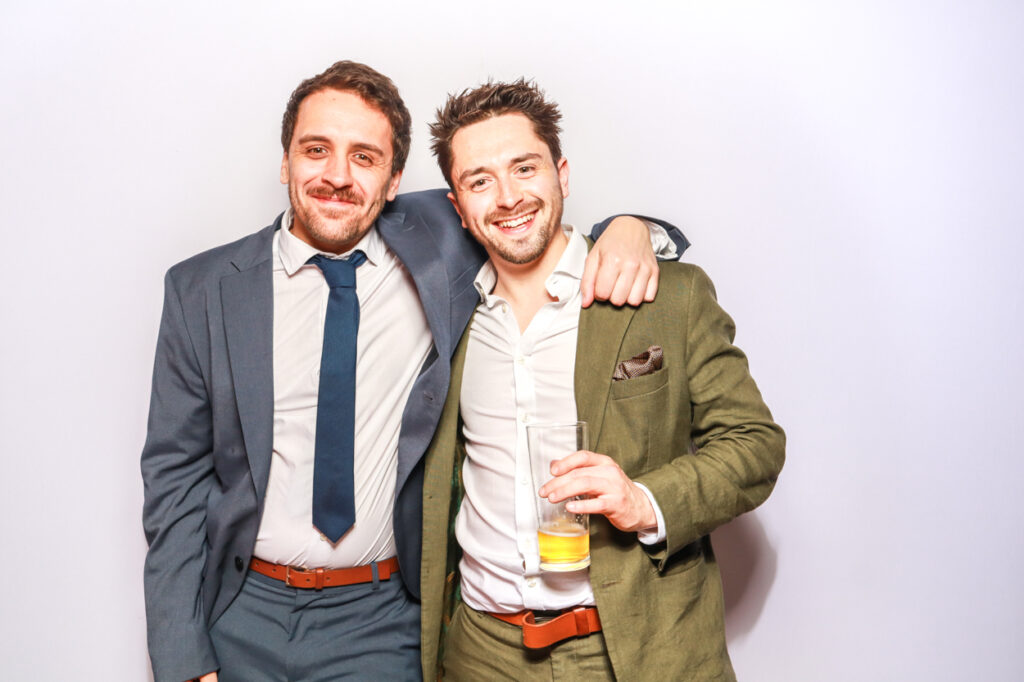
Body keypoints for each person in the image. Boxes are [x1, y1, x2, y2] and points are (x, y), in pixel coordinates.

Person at [140, 60, 683, 682]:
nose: (337, 176)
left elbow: (529, 223)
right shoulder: (201, 289)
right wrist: (183, 660)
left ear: (395, 179)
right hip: (241, 610)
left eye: (364, 157)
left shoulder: (440, 247)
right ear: (285, 161)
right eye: (316, 150)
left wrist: (633, 229)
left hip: (380, 618)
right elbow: (174, 482)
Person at [419, 80, 786, 681]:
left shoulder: (666, 294)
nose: (507, 197)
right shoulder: (447, 316)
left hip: (630, 645)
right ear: (459, 206)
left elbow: (756, 445)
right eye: (479, 181)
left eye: (524, 168)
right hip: (480, 651)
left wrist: (642, 501)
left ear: (562, 174)